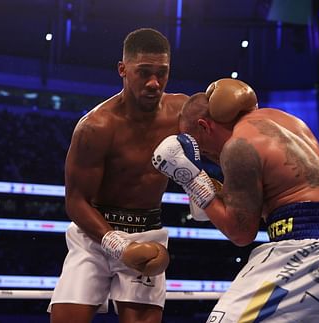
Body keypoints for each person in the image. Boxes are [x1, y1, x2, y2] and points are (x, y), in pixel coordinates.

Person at [152, 78, 319, 322]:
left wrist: (192, 180)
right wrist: (211, 191)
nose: (209, 157)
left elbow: (241, 233)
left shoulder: (238, 146)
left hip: (308, 251)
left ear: (204, 126)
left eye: (204, 150)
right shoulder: (281, 120)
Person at [49, 28, 188, 323]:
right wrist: (117, 243)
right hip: (95, 237)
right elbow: (75, 201)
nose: (154, 83)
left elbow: (223, 134)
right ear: (123, 70)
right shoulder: (96, 127)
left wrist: (202, 187)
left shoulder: (181, 113)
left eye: (162, 73)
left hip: (148, 235)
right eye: (144, 73)